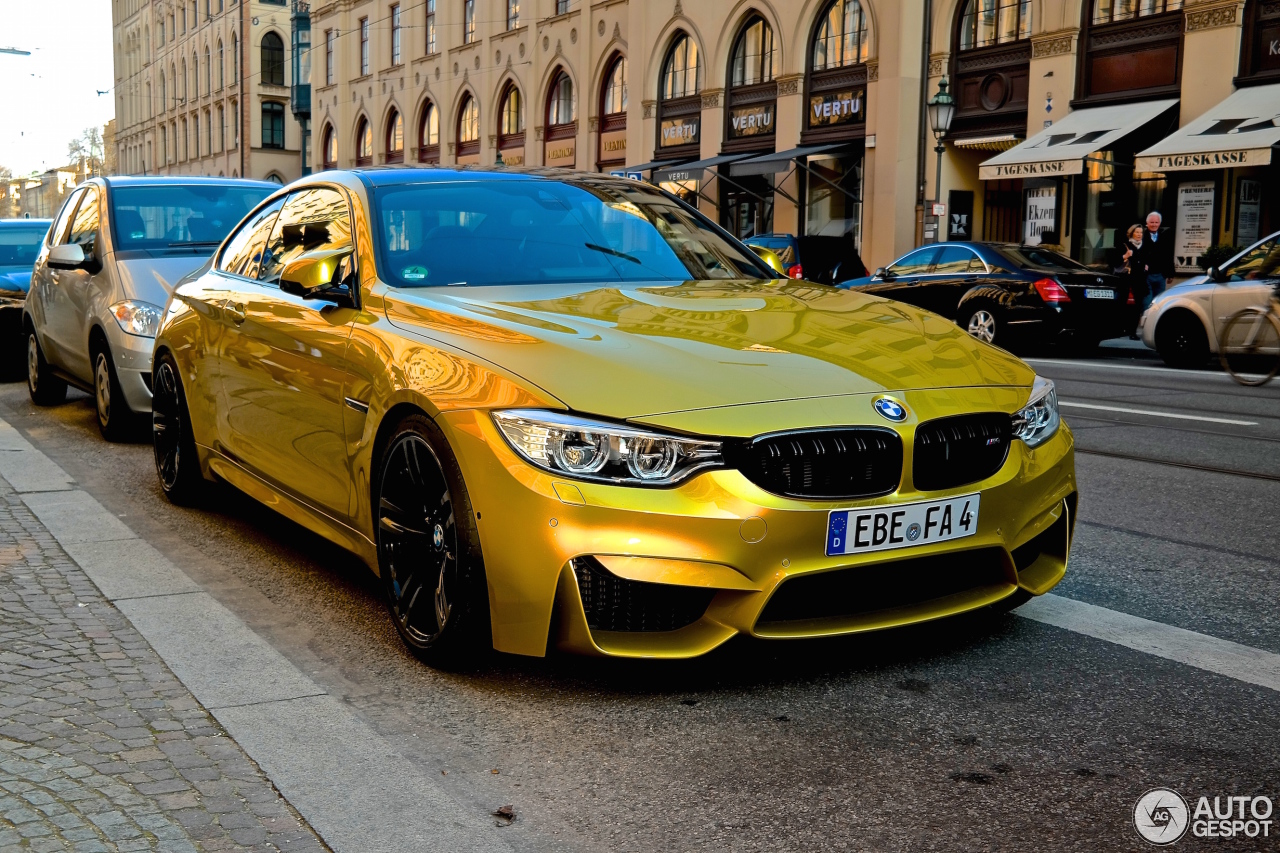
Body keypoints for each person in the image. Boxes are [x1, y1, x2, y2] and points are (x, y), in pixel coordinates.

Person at [1135, 211, 1173, 305]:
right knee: (1147, 303)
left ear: (1159, 223)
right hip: (1146, 276)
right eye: (1152, 222)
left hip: (1160, 275)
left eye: (1156, 222)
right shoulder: (1141, 236)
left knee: (1158, 303)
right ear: (1147, 223)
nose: (1154, 224)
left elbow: (1168, 255)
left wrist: (1170, 273)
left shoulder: (1164, 236)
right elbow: (1136, 255)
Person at [1118, 224, 1150, 333]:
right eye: (1137, 232)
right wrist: (1125, 256)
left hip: (1139, 280)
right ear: (1132, 233)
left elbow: (1147, 260)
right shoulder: (1125, 245)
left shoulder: (1144, 246)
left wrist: (1146, 266)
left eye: (1141, 232)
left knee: (1137, 307)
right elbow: (1113, 261)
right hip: (1126, 279)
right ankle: (1121, 328)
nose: (1139, 235)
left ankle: (1132, 331)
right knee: (1122, 304)